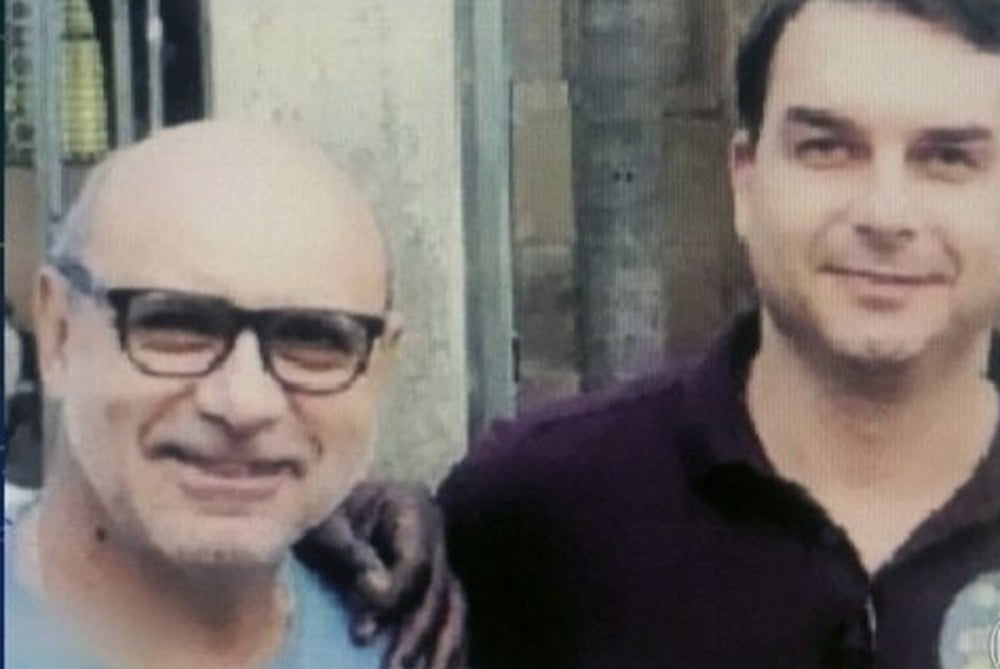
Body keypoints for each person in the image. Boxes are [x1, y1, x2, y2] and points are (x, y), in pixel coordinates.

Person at [421, 0, 1000, 667]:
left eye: (948, 158)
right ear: (745, 181)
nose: (886, 214)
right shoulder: (532, 509)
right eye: (828, 148)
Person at [2, 120, 461, 668]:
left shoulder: (420, 647)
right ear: (58, 333)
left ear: (380, 367)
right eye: (177, 325)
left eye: (312, 339)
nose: (244, 404)